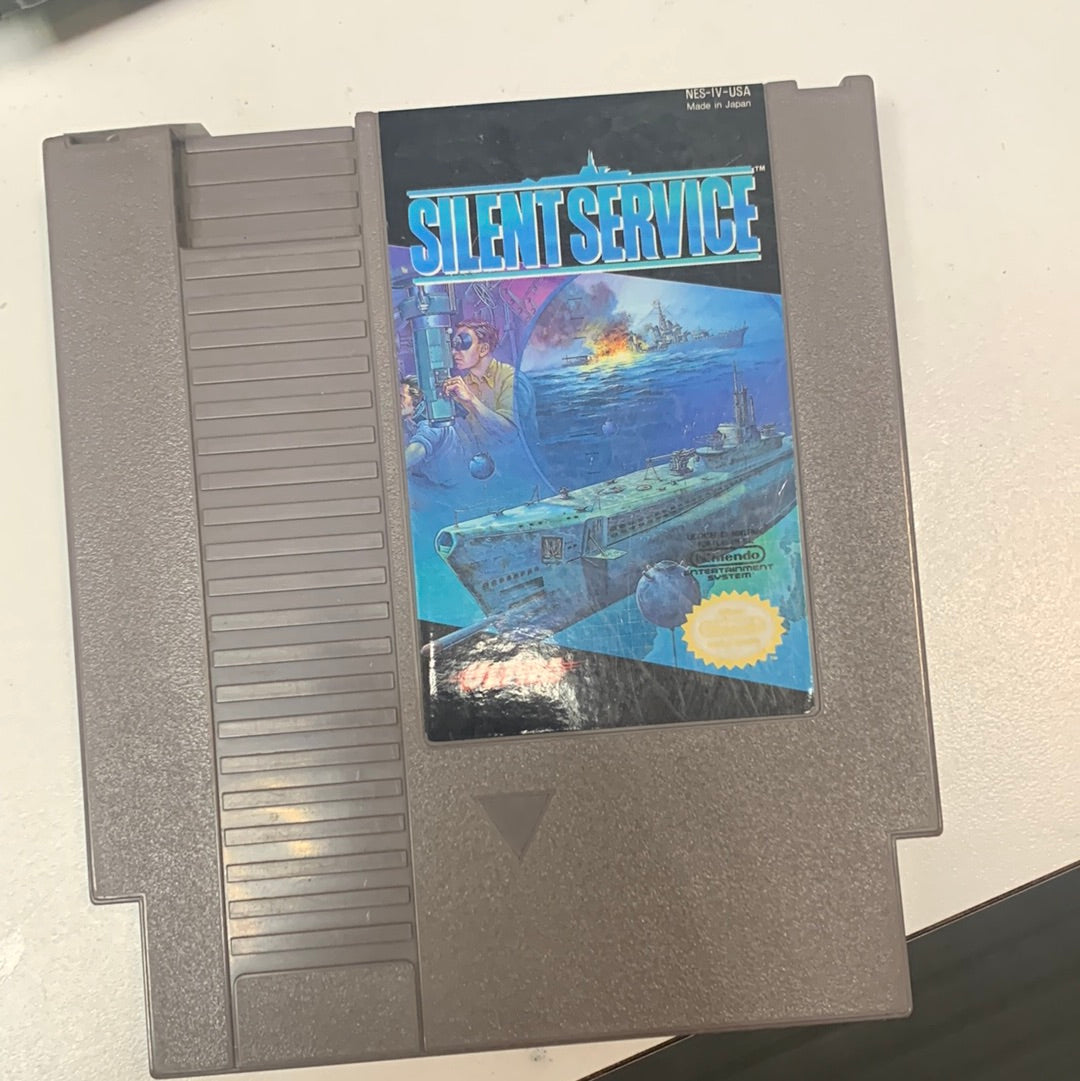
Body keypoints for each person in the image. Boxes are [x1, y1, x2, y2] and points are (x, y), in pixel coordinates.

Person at [442, 321, 518, 446]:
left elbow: (510, 433)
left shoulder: (510, 379)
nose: (454, 352)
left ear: (483, 349)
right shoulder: (462, 386)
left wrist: (471, 401)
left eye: (463, 344)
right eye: (454, 345)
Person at [400, 375, 467, 487]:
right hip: (432, 486)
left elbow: (416, 451)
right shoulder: (409, 424)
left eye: (401, 397)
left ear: (416, 400)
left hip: (449, 490)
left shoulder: (435, 424)